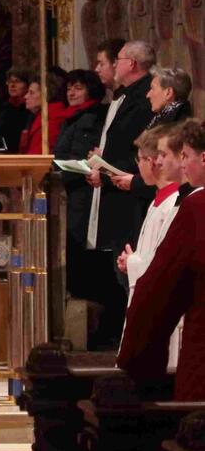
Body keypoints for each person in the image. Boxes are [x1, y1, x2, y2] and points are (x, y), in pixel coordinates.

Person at [117, 120, 205, 400]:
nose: (182, 165)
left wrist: (135, 363)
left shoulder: (196, 209)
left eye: (185, 157)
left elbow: (159, 291)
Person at [86, 40, 156, 348]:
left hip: (131, 194)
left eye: (120, 58)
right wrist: (101, 159)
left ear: (133, 64)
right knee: (118, 265)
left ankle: (136, 336)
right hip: (116, 189)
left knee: (127, 263)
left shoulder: (143, 100)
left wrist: (106, 169)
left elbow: (140, 149)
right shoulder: (126, 96)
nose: (115, 63)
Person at [118, 127, 183, 370]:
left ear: (152, 161)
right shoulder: (159, 201)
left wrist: (133, 261)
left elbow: (164, 263)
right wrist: (132, 261)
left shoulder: (173, 204)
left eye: (140, 160)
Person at [53, 69, 108, 299]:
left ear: (90, 90)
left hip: (82, 194)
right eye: (68, 88)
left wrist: (57, 167)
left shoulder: (90, 116)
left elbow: (81, 160)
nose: (71, 93)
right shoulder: (73, 116)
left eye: (78, 88)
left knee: (82, 252)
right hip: (72, 193)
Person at [19, 72, 72, 154]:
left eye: (31, 93)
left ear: (46, 94)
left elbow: (41, 153)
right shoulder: (39, 116)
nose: (26, 96)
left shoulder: (55, 118)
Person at [0, 67, 32, 153]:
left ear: (27, 85)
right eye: (10, 81)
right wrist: (2, 153)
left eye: (17, 81)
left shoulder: (31, 109)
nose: (12, 85)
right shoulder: (4, 107)